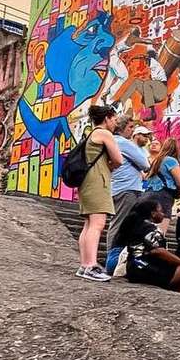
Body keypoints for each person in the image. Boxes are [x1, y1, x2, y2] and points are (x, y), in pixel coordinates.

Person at [76, 105, 123, 282]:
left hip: (87, 181)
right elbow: (119, 159)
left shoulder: (91, 134)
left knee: (89, 224)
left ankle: (84, 264)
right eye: (114, 120)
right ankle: (91, 266)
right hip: (97, 181)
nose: (115, 124)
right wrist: (109, 167)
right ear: (107, 118)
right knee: (97, 223)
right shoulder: (104, 134)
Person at [119, 199, 180, 293]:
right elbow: (157, 250)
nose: (163, 214)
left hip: (134, 267)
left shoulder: (137, 225)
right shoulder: (150, 228)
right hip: (146, 268)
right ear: (153, 213)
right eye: (161, 211)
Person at [106, 118, 151, 273]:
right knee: (120, 223)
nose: (132, 130)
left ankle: (115, 259)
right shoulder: (124, 143)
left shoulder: (113, 141)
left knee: (118, 222)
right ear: (123, 128)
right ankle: (112, 261)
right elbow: (145, 164)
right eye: (131, 127)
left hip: (119, 187)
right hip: (127, 188)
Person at [142, 138, 180, 235]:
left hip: (147, 195)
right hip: (163, 196)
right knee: (160, 232)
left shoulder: (156, 161)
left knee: (146, 229)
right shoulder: (171, 161)